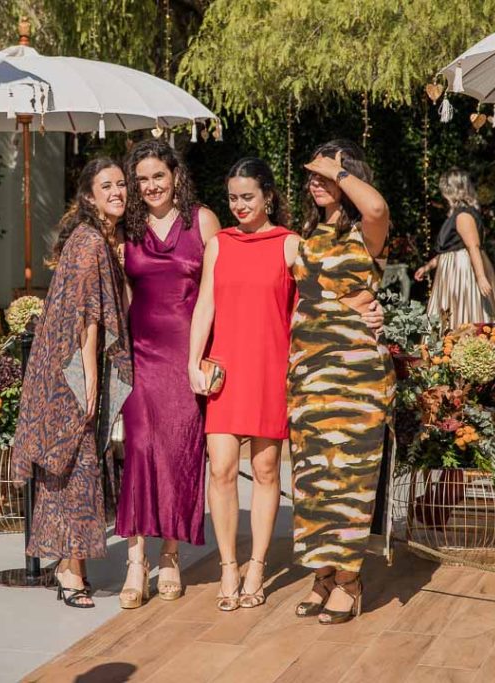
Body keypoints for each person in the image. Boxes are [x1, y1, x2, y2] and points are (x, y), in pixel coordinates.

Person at [187, 158, 385, 612]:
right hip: (225, 368)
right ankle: (228, 566)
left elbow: (325, 293)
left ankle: (257, 566)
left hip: (275, 367)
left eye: (248, 197)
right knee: (219, 469)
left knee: (267, 471)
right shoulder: (218, 244)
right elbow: (205, 305)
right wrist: (192, 361)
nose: (239, 205)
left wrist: (369, 308)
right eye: (233, 197)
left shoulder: (292, 244)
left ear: (268, 196)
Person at [11, 157, 133, 609]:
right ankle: (68, 571)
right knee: (74, 468)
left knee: (73, 467)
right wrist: (90, 383)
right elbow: (87, 320)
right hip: (70, 372)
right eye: (107, 186)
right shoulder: (89, 244)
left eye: (121, 184)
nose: (118, 191)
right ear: (89, 196)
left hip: (62, 369)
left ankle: (72, 564)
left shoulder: (96, 239)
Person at [285, 139, 395, 625]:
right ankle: (321, 574)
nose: (316, 180)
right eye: (312, 174)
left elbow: (376, 205)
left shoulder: (366, 232)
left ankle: (349, 580)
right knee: (311, 481)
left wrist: (338, 170)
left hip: (356, 377)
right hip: (308, 371)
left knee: (347, 478)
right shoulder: (305, 235)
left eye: (327, 174)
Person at [115, 139, 221, 608]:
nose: (151, 185)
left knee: (180, 450)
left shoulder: (203, 221)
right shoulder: (128, 228)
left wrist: (210, 357)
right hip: (140, 354)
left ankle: (171, 554)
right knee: (139, 449)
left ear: (175, 174)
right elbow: (120, 297)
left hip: (187, 355)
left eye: (158, 175)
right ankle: (136, 559)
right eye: (142, 179)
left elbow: (220, 294)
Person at [415, 168, 495, 326]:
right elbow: (449, 250)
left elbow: (473, 247)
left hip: (463, 268)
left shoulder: (463, 215)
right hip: (453, 266)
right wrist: (428, 267)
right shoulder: (457, 214)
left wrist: (480, 277)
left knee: (464, 310)